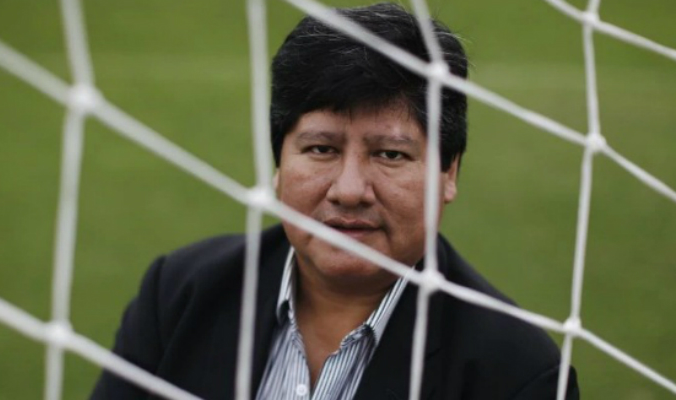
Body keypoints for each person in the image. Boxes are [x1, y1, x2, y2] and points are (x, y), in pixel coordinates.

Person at [91, 3, 579, 399]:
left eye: (389, 154)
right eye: (321, 149)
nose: (348, 190)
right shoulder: (180, 293)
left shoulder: (516, 373)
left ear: (449, 172)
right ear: (278, 163)